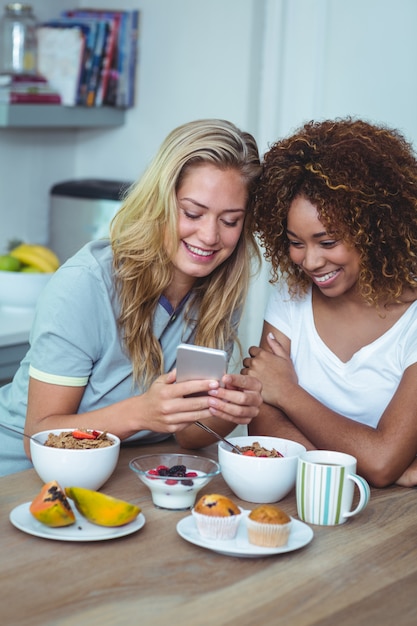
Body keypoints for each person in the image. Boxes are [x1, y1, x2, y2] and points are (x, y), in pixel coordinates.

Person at [0, 118, 263, 476]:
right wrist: (142, 412)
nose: (209, 235)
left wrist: (231, 412)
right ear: (160, 201)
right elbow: (38, 438)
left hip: (120, 471)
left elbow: (188, 433)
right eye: (192, 213)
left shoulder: (220, 290)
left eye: (230, 221)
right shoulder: (87, 284)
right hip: (20, 473)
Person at [242, 117, 417, 488]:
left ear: (373, 229)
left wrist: (287, 392)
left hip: (391, 526)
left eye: (327, 241)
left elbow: (384, 462)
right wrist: (364, 462)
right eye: (296, 242)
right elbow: (262, 424)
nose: (310, 262)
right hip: (311, 500)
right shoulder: (292, 296)